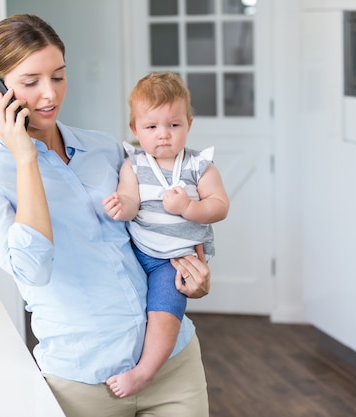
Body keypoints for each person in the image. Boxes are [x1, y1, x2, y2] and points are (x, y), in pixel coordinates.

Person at [0, 14, 211, 417]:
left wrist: (190, 278)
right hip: (84, 382)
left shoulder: (105, 148)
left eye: (58, 76)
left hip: (171, 363)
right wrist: (25, 161)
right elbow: (32, 269)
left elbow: (159, 227)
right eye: (30, 81)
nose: (49, 95)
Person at [102, 72, 229, 398]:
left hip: (173, 261)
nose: (163, 135)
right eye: (151, 127)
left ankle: (145, 373)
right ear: (134, 130)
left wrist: (188, 207)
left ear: (188, 123)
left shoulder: (199, 165)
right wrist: (122, 205)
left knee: (164, 310)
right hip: (136, 249)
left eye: (173, 125)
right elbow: (131, 200)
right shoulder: (133, 164)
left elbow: (219, 206)